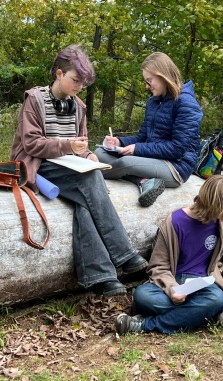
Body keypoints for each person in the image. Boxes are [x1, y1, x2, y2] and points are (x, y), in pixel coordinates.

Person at [10, 44, 147, 297]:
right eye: (75, 80)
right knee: (91, 180)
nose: (79, 87)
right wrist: (67, 146)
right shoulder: (35, 99)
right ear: (59, 74)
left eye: (83, 84)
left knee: (85, 202)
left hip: (70, 168)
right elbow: (30, 143)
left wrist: (88, 155)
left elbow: (80, 144)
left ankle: (102, 276)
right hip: (39, 166)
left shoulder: (79, 107)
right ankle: (124, 254)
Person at [115, 175, 223, 335]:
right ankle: (201, 314)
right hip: (173, 280)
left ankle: (144, 325)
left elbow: (222, 248)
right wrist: (173, 289)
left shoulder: (219, 221)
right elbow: (158, 267)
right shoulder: (174, 222)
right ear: (212, 202)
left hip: (203, 284)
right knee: (143, 297)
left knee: (217, 299)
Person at [95, 52, 203, 207]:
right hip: (153, 159)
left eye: (149, 80)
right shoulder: (153, 102)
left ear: (163, 75)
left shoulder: (186, 103)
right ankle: (144, 181)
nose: (147, 85)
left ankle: (89, 174)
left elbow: (177, 149)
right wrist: (120, 141)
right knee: (100, 152)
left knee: (126, 162)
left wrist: (137, 149)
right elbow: (143, 136)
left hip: (175, 167)